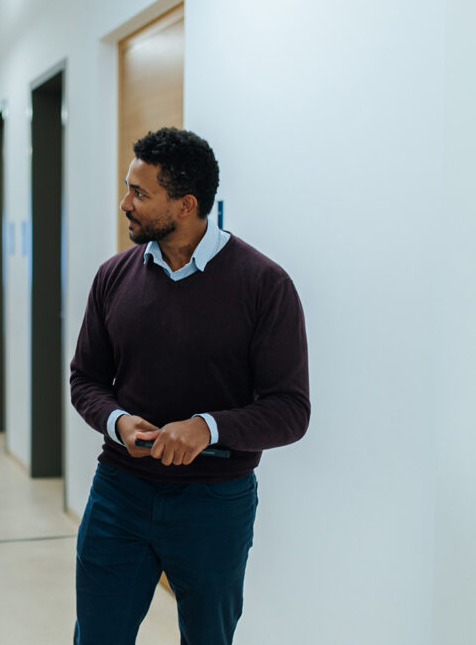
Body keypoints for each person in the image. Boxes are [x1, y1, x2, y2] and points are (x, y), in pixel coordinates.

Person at [70, 127, 310, 644]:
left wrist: (208, 428)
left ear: (185, 205)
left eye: (140, 193)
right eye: (127, 188)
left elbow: (291, 410)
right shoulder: (113, 277)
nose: (124, 203)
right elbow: (85, 379)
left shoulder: (265, 285)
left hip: (214, 505)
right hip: (118, 493)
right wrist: (115, 420)